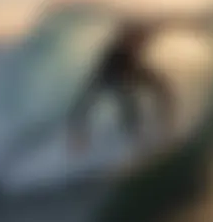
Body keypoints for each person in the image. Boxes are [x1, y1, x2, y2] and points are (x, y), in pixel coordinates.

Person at [67, 15, 176, 151]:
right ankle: (135, 137)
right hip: (110, 75)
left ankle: (166, 121)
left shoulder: (135, 38)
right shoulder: (118, 50)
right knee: (127, 105)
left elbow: (160, 25)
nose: (143, 41)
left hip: (128, 70)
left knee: (159, 88)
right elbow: (84, 103)